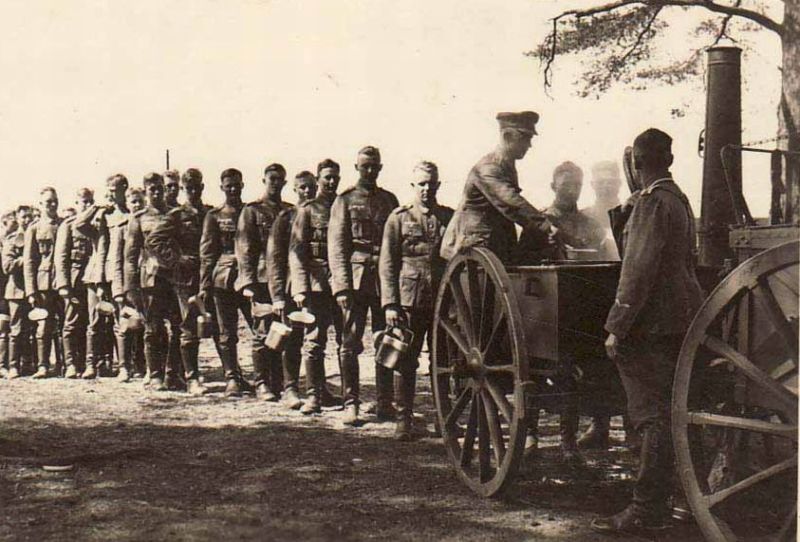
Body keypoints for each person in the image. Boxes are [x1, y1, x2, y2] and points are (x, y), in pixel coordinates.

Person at [591, 129, 704, 535]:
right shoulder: (678, 199)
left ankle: (646, 508)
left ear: (637, 163)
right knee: (680, 410)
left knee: (651, 416)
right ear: (669, 160)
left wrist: (616, 327)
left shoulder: (652, 202)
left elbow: (636, 271)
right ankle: (688, 499)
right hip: (683, 318)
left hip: (652, 324)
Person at [379, 161, 453, 440]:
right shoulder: (398, 218)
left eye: (431, 184)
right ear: (413, 186)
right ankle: (404, 420)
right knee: (405, 361)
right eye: (421, 184)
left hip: (441, 301)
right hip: (409, 301)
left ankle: (444, 420)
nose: (426, 189)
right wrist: (390, 304)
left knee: (442, 361)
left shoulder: (448, 217)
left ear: (438, 185)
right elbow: (388, 263)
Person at [329, 146, 400, 426]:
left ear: (380, 168)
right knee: (349, 343)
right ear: (357, 168)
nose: (370, 171)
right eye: (365, 166)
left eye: (374, 166)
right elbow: (337, 247)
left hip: (383, 280)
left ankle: (385, 402)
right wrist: (342, 288)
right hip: (356, 281)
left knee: (386, 340)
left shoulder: (389, 200)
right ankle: (351, 403)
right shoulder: (345, 200)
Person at [441, 111, 553, 264]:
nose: (529, 145)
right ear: (507, 136)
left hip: (494, 245)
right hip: (472, 248)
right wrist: (544, 225)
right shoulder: (488, 168)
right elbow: (510, 202)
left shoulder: (506, 165)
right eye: (525, 138)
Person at [145, 168, 214, 395]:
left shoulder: (210, 213)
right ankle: (192, 378)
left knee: (211, 325)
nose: (193, 192)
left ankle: (177, 375)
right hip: (186, 277)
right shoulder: (177, 215)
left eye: (196, 187)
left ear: (202, 187)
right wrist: (176, 260)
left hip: (209, 274)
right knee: (188, 325)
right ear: (184, 189)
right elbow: (153, 241)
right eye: (189, 188)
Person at [289, 159, 344, 414]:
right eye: (327, 178)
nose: (331, 182)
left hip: (343, 284)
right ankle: (314, 396)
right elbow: (297, 252)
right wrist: (300, 288)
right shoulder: (308, 210)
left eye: (335, 178)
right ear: (319, 180)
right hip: (316, 285)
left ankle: (344, 394)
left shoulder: (344, 206)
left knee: (346, 340)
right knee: (314, 340)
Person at [235, 163, 292, 401]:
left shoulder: (290, 211)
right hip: (260, 278)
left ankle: (278, 381)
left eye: (280, 180)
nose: (275, 183)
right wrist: (247, 282)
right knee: (262, 330)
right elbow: (244, 248)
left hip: (286, 279)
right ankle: (261, 383)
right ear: (264, 181)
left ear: (285, 183)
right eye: (271, 179)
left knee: (282, 329)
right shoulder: (252, 211)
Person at [123, 173, 179, 390]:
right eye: (151, 189)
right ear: (145, 192)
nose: (156, 192)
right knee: (153, 329)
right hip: (150, 280)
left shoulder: (176, 214)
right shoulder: (139, 219)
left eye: (159, 188)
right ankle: (155, 374)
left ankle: (173, 374)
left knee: (179, 327)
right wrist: (131, 288)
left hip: (175, 279)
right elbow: (130, 257)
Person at [200, 168, 252, 397]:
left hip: (250, 279)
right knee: (226, 332)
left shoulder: (251, 212)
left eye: (236, 185)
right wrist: (204, 286)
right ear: (222, 187)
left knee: (259, 327)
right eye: (228, 185)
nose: (233, 189)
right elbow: (207, 253)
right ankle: (232, 377)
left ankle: (267, 377)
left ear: (242, 185)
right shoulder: (214, 216)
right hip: (223, 280)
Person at [267, 171, 316, 410]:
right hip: (291, 288)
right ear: (295, 189)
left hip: (318, 286)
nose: (308, 191)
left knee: (316, 340)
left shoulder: (323, 213)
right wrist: (277, 295)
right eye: (303, 187)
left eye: (311, 187)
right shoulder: (286, 217)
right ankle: (290, 389)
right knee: (292, 339)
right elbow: (275, 258)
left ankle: (318, 389)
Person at [55, 189, 95, 378]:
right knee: (71, 321)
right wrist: (63, 285)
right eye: (84, 202)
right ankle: (70, 364)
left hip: (92, 277)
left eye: (90, 201)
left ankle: (89, 363)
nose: (87, 205)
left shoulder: (95, 224)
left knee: (91, 321)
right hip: (75, 279)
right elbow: (61, 256)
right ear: (77, 203)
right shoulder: (68, 225)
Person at [23, 187, 63, 379]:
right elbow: (29, 261)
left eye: (55, 200)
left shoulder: (64, 224)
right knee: (44, 326)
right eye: (48, 201)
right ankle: (43, 366)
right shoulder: (34, 228)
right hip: (44, 284)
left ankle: (66, 365)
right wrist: (31, 291)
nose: (52, 204)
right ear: (40, 204)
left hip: (63, 282)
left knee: (66, 325)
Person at [111, 187, 146, 380]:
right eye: (133, 202)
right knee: (124, 324)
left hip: (146, 282)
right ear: (127, 203)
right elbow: (116, 261)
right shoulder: (122, 227)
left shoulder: (149, 223)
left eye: (140, 201)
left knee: (144, 324)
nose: (137, 205)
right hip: (127, 284)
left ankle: (141, 365)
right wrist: (118, 290)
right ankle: (124, 367)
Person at [3, 206, 33, 378]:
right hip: (17, 291)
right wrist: (25, 260)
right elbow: (7, 266)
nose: (27, 220)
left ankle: (27, 364)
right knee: (16, 330)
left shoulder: (35, 236)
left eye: (30, 217)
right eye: (24, 217)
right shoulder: (12, 239)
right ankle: (13, 365)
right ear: (18, 219)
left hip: (33, 290)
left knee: (31, 330)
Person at [0, 210, 19, 378]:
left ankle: (4, 365)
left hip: (8, 290)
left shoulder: (17, 241)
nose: (16, 226)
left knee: (5, 328)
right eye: (13, 223)